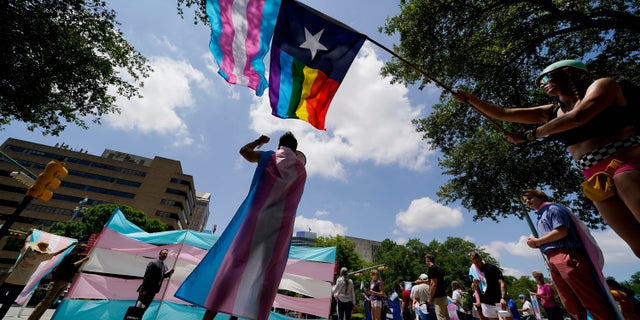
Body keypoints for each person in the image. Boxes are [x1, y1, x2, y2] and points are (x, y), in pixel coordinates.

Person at [454, 59, 640, 258]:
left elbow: (578, 117)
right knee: (637, 247)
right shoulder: (551, 111)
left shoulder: (604, 85)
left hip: (625, 164)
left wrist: (528, 136)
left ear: (570, 73)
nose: (542, 83)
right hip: (594, 179)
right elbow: (504, 113)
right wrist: (471, 99)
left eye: (546, 77)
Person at [175, 132, 307, 320]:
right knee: (263, 274)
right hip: (279, 229)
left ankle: (209, 316)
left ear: (280, 146)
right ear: (295, 149)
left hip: (254, 220)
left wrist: (259, 142)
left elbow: (244, 151)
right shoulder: (301, 171)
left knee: (234, 266)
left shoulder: (268, 156)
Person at [522, 189, 620, 320]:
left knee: (588, 297)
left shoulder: (553, 209)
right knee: (569, 301)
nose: (527, 202)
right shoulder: (540, 216)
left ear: (540, 196)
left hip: (566, 255)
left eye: (530, 198)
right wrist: (538, 244)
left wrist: (538, 241)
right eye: (525, 200)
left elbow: (561, 231)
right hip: (552, 258)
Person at [0, 236, 76, 319]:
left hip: (9, 279)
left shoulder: (27, 250)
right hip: (21, 283)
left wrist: (30, 234)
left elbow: (27, 241)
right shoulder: (42, 257)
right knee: (7, 303)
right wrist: (70, 245)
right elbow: (57, 253)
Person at [28, 243, 89, 320]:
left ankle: (37, 318)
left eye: (85, 247)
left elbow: (75, 269)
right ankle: (31, 318)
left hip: (66, 281)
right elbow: (70, 266)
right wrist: (83, 260)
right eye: (83, 246)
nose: (84, 248)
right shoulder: (70, 256)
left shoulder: (78, 257)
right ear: (78, 247)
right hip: (58, 280)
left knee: (49, 303)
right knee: (46, 301)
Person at [468, 251, 507, 320]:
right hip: (486, 303)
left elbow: (502, 283)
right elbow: (473, 287)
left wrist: (503, 298)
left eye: (477, 262)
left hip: (499, 301)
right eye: (474, 263)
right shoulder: (473, 272)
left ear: (480, 258)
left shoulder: (492, 268)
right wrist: (474, 284)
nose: (476, 264)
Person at [136, 249, 174, 314]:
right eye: (163, 253)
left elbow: (161, 276)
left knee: (144, 308)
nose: (165, 255)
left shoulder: (163, 265)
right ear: (159, 254)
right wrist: (143, 290)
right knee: (137, 308)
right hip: (146, 290)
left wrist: (169, 273)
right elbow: (146, 277)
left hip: (153, 291)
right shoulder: (153, 263)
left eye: (166, 254)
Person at [424, 254, 449, 320]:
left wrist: (430, 297)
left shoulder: (431, 268)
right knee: (446, 317)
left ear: (428, 260)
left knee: (441, 317)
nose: (425, 262)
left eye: (426, 261)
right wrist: (421, 282)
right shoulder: (437, 268)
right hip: (443, 296)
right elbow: (432, 280)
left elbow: (433, 284)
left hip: (438, 298)